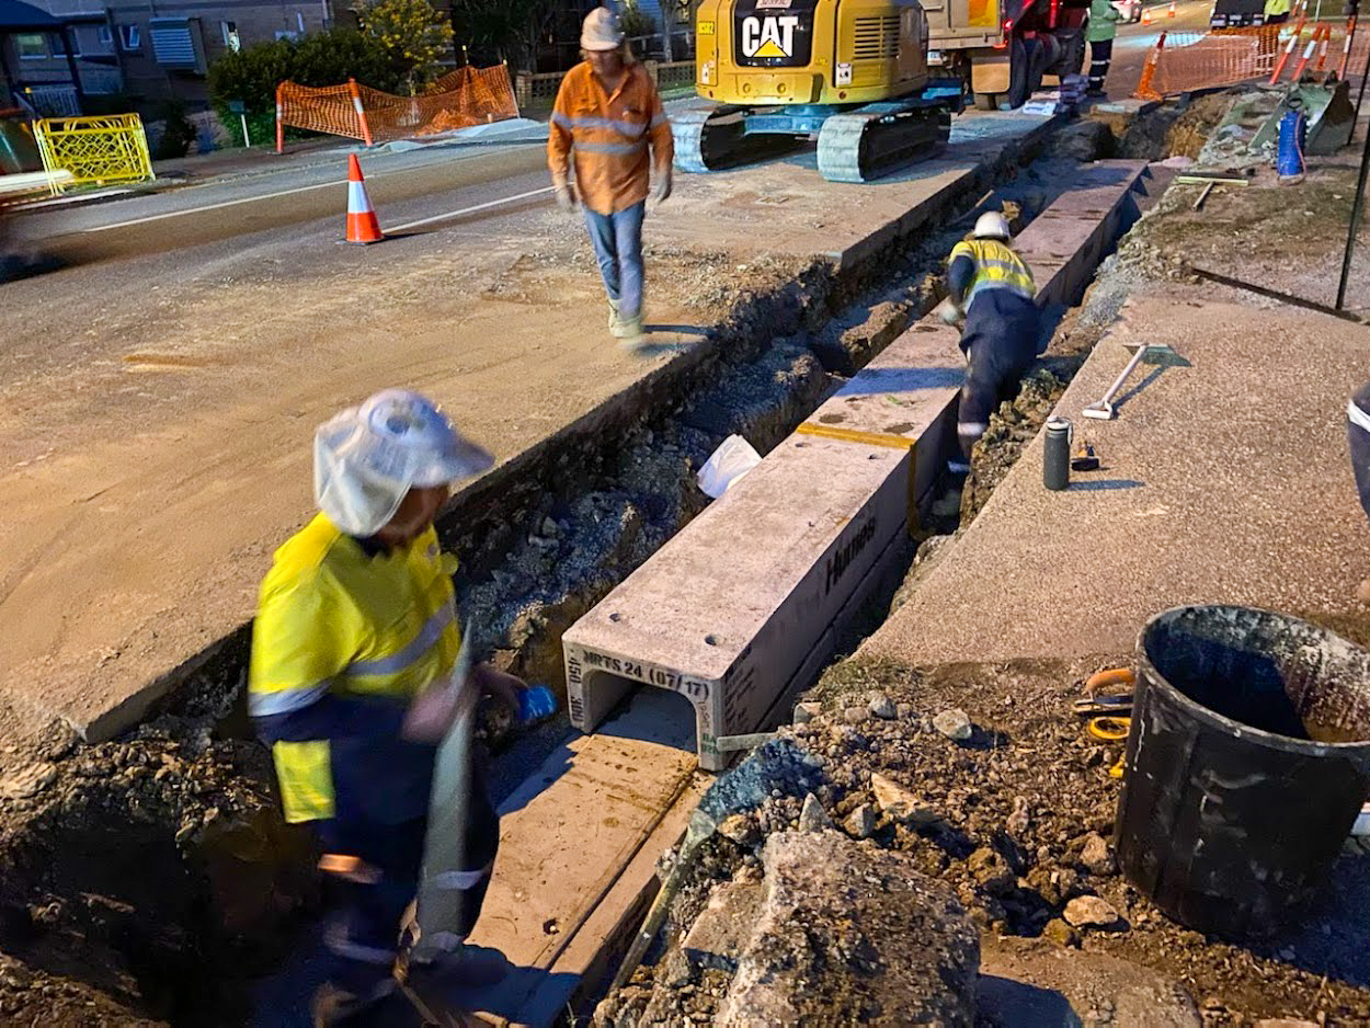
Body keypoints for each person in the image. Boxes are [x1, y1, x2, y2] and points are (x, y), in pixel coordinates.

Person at [248, 389, 555, 1027]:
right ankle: (358, 1001)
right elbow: (279, 715)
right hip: (359, 780)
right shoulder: (310, 581)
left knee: (468, 842)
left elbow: (421, 632)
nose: (440, 499)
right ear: (376, 496)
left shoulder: (406, 532)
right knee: (373, 893)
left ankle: (438, 953)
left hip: (436, 750)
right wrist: (402, 719)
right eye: (426, 491)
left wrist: (476, 674)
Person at [548, 6, 674, 343]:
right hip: (592, 190)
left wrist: (664, 170)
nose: (600, 59)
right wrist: (561, 180)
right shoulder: (574, 82)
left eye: (606, 52)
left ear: (618, 48)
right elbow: (558, 135)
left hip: (631, 187)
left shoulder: (640, 81)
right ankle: (618, 304)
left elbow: (660, 131)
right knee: (607, 257)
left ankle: (632, 315)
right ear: (585, 50)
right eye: (594, 52)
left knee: (629, 251)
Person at [945, 212, 1041, 462]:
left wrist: (955, 304)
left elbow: (958, 275)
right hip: (1028, 331)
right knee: (1006, 396)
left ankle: (965, 468)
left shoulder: (970, 247)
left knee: (977, 394)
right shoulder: (1019, 263)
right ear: (1006, 238)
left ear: (978, 234)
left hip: (993, 321)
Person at [1086, 0, 1124, 96]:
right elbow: (1109, 14)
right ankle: (1093, 87)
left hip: (1105, 35)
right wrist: (1117, 13)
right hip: (1098, 36)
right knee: (1099, 62)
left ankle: (1098, 85)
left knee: (1105, 61)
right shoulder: (1098, 1)